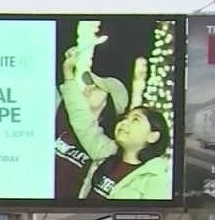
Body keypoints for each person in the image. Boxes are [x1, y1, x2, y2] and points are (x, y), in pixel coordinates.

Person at [59, 48, 172, 201]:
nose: (125, 122)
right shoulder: (106, 152)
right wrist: (68, 75)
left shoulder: (155, 178)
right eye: (125, 118)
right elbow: (81, 118)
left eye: (135, 120)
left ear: (153, 136)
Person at [53, 45, 129, 199]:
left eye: (97, 88)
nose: (89, 88)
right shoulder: (63, 115)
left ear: (109, 103)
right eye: (90, 84)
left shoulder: (106, 147)